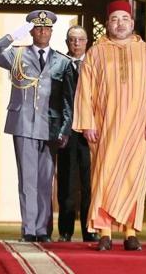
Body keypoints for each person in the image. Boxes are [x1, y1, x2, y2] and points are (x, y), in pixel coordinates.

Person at [74, 0, 146, 252]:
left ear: (132, 23)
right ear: (107, 24)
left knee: (133, 178)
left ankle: (130, 232)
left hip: (138, 129)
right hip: (105, 127)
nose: (120, 24)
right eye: (115, 19)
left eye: (124, 19)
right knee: (104, 177)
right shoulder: (95, 53)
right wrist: (87, 123)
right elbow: (85, 91)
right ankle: (104, 232)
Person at [0, 10, 73, 242]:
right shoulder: (17, 54)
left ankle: (43, 230)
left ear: (52, 32)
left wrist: (65, 129)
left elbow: (68, 100)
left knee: (45, 180)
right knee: (27, 179)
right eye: (38, 28)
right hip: (23, 124)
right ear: (32, 31)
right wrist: (13, 36)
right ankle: (29, 229)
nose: (42, 32)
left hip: (50, 127)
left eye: (47, 29)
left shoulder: (63, 61)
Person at [56, 25, 99, 242]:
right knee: (67, 181)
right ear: (67, 43)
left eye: (80, 39)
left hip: (91, 129)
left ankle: (90, 229)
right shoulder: (59, 64)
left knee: (90, 181)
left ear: (87, 42)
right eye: (72, 39)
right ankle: (65, 231)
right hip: (68, 131)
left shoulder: (95, 65)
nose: (76, 43)